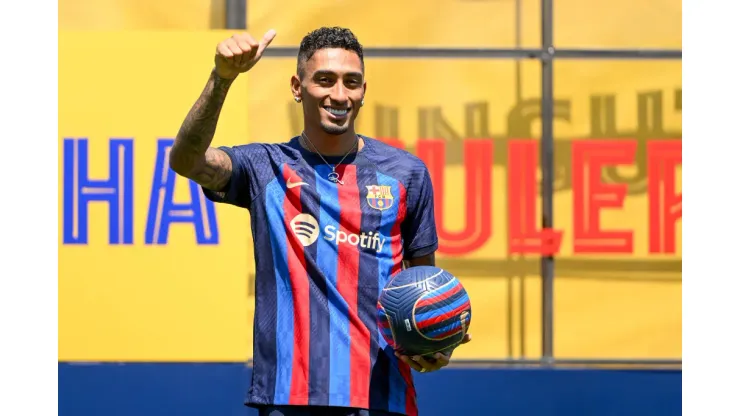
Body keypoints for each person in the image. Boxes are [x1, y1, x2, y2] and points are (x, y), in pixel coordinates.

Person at [170, 26, 470, 416]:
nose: (340, 95)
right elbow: (186, 161)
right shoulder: (266, 167)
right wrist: (221, 79)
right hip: (288, 399)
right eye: (325, 80)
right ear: (297, 87)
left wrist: (433, 344)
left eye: (352, 82)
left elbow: (422, 289)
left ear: (364, 89)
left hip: (381, 398)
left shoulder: (406, 174)